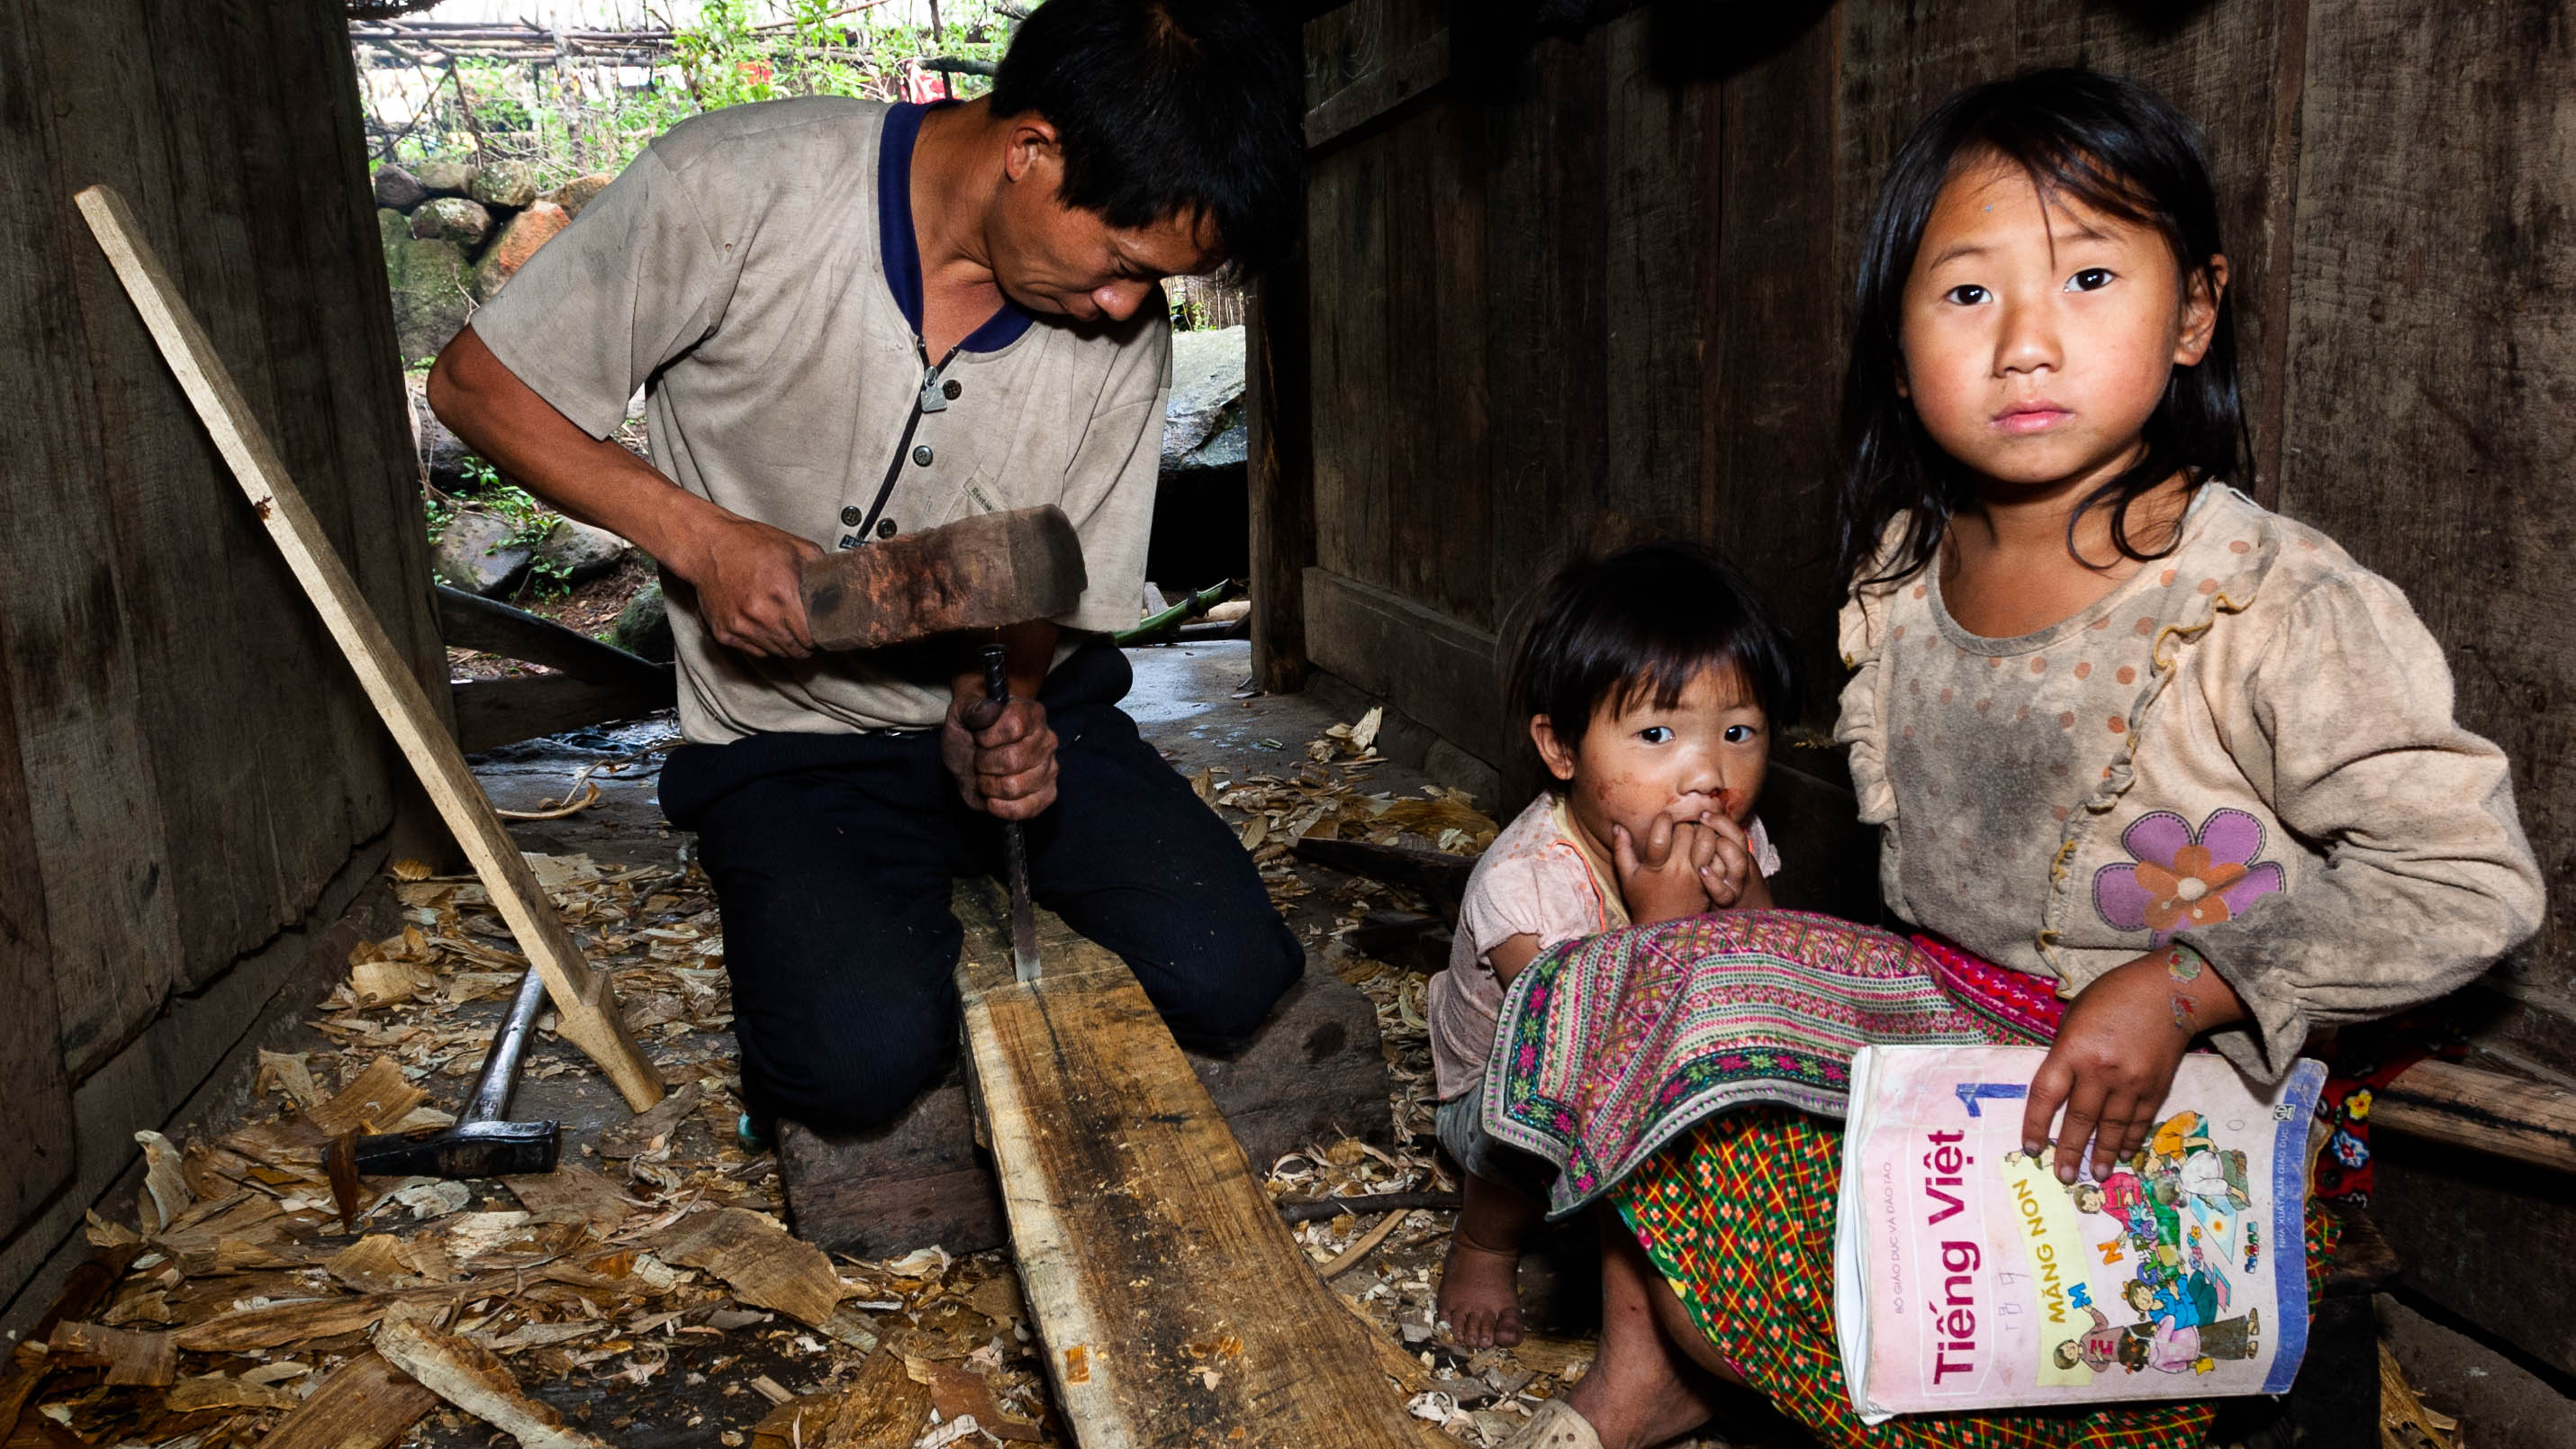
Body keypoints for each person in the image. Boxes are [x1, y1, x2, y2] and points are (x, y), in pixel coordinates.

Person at [1488, 68, 2543, 1449]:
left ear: (2195, 313)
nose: (2026, 344)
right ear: (1898, 339)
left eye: (2092, 276)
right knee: (1659, 980)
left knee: (2170, 1362)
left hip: (2177, 1095)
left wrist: (2186, 985)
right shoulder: (1902, 575)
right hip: (1954, 1062)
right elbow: (1910, 894)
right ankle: (1679, 1356)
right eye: (1969, 293)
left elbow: (2471, 880)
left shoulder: (2271, 605)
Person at [425, 0, 1307, 1132]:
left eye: (1152, 283)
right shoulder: (736, 189)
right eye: (1121, 265)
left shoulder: (1120, 335)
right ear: (1029, 151)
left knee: (1234, 974)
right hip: (786, 734)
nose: (1126, 307)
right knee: (852, 1075)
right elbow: (475, 386)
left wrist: (1007, 713)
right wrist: (703, 539)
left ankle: (967, 836)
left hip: (1002, 693)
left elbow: (1045, 571)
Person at [1426, 544, 1797, 1349]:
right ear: (1560, 749)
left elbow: (1772, 973)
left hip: (1653, 1071)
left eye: (1738, 731)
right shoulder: (1524, 887)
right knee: (1519, 1143)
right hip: (1512, 1088)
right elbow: (1582, 1054)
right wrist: (1659, 925)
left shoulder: (1734, 835)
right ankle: (1483, 1243)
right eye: (1656, 733)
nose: (1706, 772)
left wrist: (1745, 899)